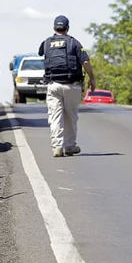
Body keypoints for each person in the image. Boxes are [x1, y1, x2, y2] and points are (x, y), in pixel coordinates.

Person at [38, 15, 97, 157]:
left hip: (53, 85)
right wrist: (92, 78)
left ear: (54, 28)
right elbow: (86, 62)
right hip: (72, 85)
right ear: (67, 28)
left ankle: (57, 147)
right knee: (71, 116)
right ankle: (69, 146)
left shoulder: (46, 43)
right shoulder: (74, 43)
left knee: (55, 117)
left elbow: (41, 53)